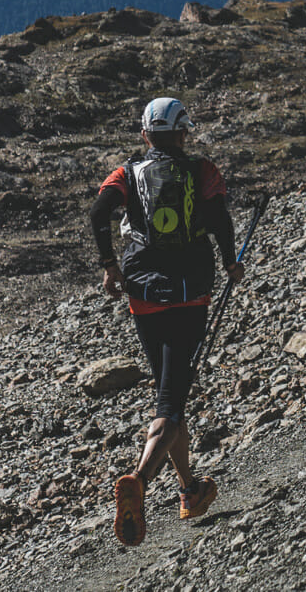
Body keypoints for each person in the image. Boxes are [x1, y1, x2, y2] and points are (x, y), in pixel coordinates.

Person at [89, 96, 244, 547]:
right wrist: (231, 261)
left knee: (168, 393)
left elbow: (99, 214)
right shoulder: (203, 171)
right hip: (190, 292)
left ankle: (189, 490)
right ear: (182, 134)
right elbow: (219, 220)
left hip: (142, 294)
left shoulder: (126, 173)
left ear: (144, 135)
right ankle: (139, 480)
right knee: (170, 404)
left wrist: (109, 266)